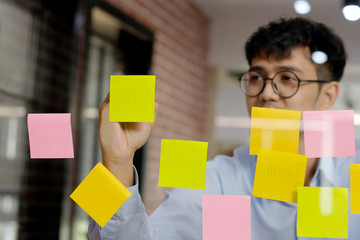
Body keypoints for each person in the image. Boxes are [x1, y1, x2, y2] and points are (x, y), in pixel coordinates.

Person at [88, 17, 360, 239]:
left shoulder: (354, 171)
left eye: (287, 78)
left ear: (328, 96)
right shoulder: (218, 179)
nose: (266, 93)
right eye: (256, 77)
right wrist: (117, 164)